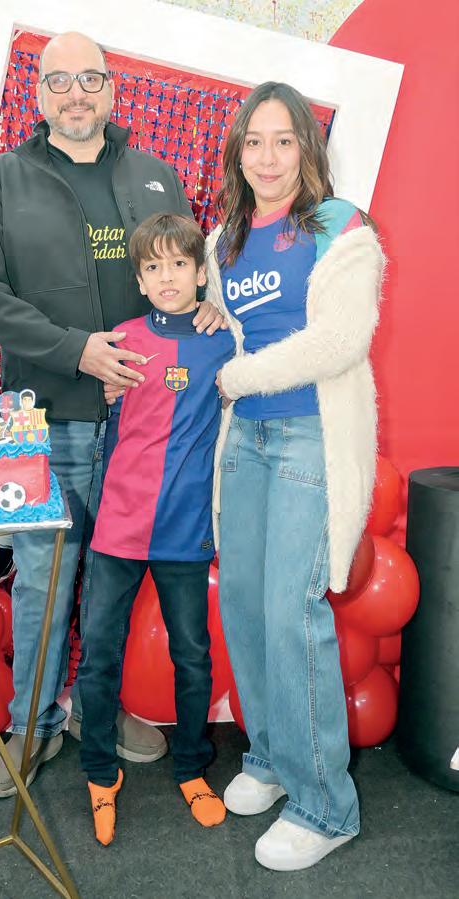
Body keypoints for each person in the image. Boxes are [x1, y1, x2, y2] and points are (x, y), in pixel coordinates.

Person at [0, 31, 223, 798]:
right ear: (39, 94)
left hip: (146, 427)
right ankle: (32, 724)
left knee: (117, 581)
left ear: (111, 89)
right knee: (45, 580)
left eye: (90, 79)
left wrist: (209, 309)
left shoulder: (154, 174)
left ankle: (95, 710)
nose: (76, 94)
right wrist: (77, 351)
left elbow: (184, 274)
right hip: (52, 418)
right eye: (60, 80)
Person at [204, 82, 384, 870]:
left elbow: (341, 339)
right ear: (237, 151)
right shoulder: (223, 239)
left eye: (283, 140)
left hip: (310, 436)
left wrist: (238, 376)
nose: (267, 157)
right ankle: (273, 758)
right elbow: (222, 325)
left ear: (306, 149)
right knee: (244, 605)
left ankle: (324, 806)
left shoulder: (341, 226)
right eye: (253, 141)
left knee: (289, 611)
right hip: (244, 441)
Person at [78, 212, 234, 845]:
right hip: (119, 524)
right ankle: (98, 772)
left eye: (178, 264)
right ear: (139, 279)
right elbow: (98, 410)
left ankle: (192, 768)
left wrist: (222, 315)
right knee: (99, 653)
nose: (166, 277)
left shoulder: (223, 339)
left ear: (199, 273)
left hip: (185, 528)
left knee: (191, 655)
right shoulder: (120, 340)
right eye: (153, 266)